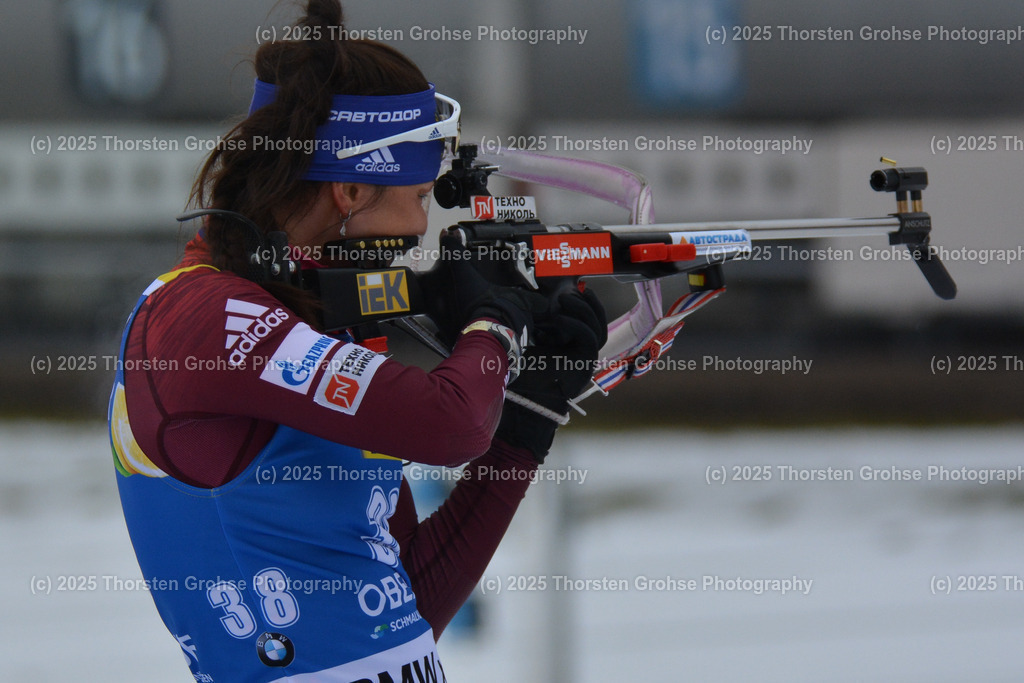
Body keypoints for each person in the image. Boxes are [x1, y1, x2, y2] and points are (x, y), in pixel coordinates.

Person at [107, 1, 605, 680]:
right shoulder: (203, 316)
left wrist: (524, 426)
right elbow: (453, 422)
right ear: (348, 189)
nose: (421, 226)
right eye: (420, 196)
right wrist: (496, 325)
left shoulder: (315, 314)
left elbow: (401, 605)